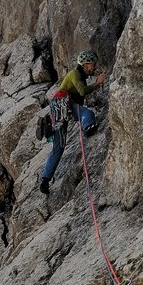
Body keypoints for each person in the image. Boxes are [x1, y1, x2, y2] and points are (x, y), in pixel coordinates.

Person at [39, 49, 107, 194]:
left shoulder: (81, 76)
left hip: (66, 104)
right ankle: (45, 179)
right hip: (61, 102)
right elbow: (82, 91)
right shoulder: (75, 74)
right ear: (85, 64)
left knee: (86, 115)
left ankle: (88, 127)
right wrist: (97, 83)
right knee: (60, 144)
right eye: (92, 64)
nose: (94, 67)